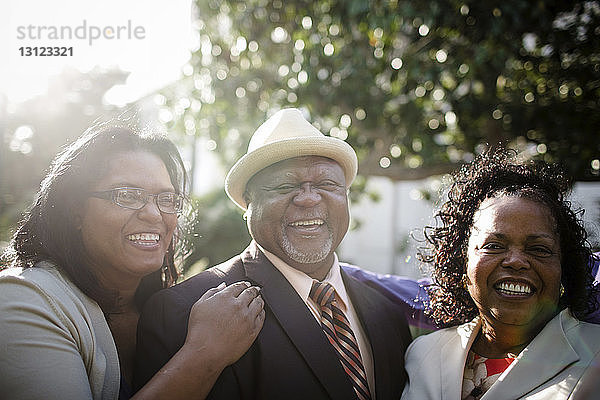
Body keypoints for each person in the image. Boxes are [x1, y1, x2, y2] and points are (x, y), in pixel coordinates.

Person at [134, 108, 413, 399]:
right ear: (248, 205)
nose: (308, 197)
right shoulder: (183, 313)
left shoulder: (387, 315)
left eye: (327, 184)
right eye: (285, 186)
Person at [0, 118, 265, 400]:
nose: (153, 214)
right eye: (126, 195)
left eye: (167, 198)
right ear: (75, 210)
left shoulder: (166, 306)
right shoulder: (25, 298)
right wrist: (205, 354)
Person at [401, 148, 600, 399]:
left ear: (563, 270)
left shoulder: (595, 355)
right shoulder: (423, 353)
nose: (516, 261)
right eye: (493, 246)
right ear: (461, 266)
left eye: (539, 249)